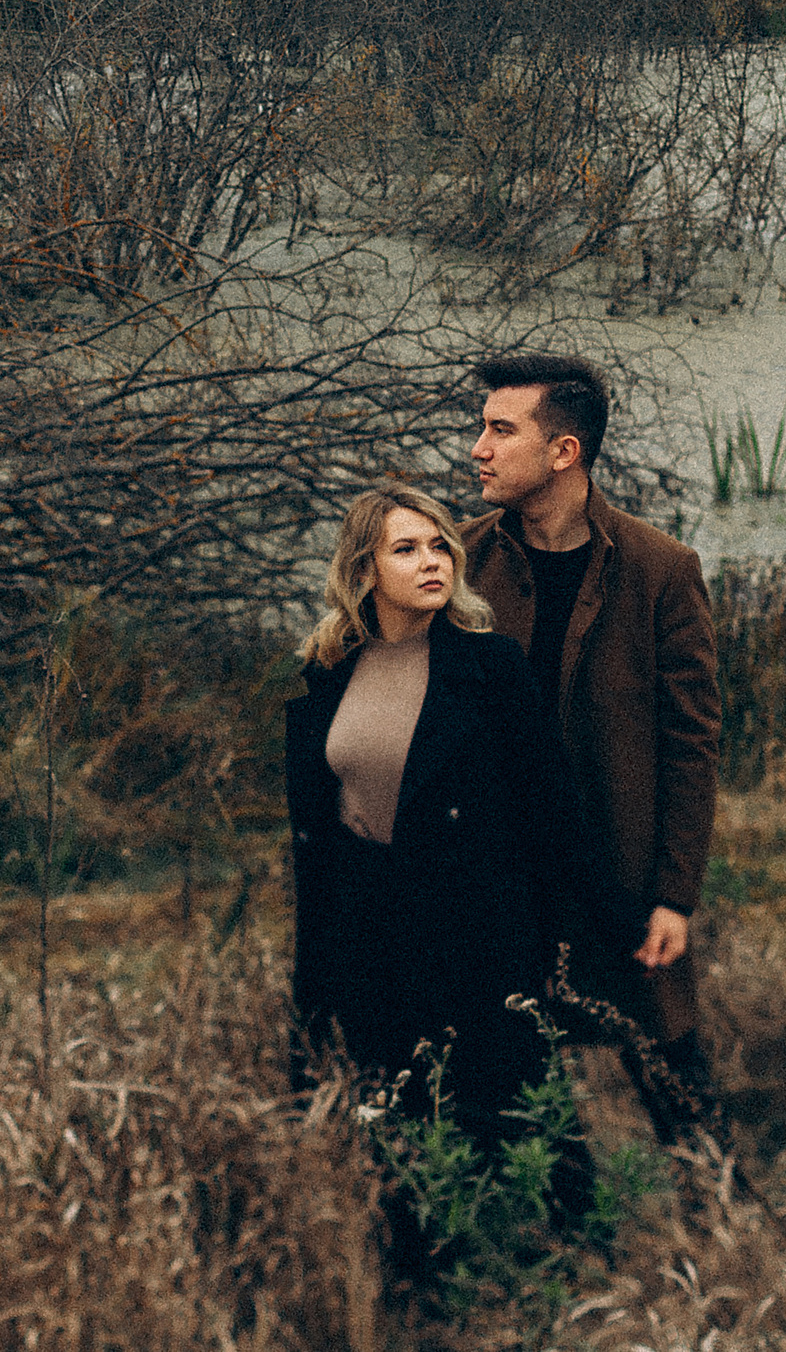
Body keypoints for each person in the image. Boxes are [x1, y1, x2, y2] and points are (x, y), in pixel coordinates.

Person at [283, 485, 640, 1145]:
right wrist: (313, 985)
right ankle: (422, 1249)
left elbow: (552, 809)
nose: (433, 560)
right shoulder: (325, 673)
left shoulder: (490, 667)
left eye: (441, 545)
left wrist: (619, 916)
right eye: (406, 548)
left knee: (523, 1120)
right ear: (365, 570)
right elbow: (314, 846)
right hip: (368, 936)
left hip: (477, 932)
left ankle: (573, 1246)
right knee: (398, 1129)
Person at [462, 354, 724, 1134]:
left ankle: (719, 1221)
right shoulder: (462, 561)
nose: (478, 446)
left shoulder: (660, 571)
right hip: (500, 874)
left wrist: (675, 894)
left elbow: (692, 744)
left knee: (671, 1068)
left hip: (617, 868)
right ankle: (555, 1229)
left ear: (563, 451)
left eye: (500, 430)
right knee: (503, 1061)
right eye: (483, 426)